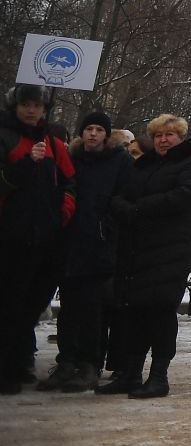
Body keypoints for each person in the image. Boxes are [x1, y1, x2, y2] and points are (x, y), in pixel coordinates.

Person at [99, 114, 191, 399]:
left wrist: (138, 209)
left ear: (180, 138)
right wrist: (123, 207)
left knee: (159, 312)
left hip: (170, 251)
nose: (164, 140)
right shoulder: (144, 165)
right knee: (132, 312)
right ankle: (131, 373)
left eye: (170, 135)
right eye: (159, 135)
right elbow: (121, 195)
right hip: (137, 250)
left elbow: (184, 196)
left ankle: (159, 376)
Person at [38, 110, 132, 392]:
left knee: (91, 310)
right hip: (69, 243)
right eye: (88, 128)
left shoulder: (120, 161)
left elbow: (125, 197)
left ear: (106, 134)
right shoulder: (72, 158)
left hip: (99, 243)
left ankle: (90, 364)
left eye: (98, 130)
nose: (92, 134)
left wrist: (107, 223)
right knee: (69, 309)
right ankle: (66, 362)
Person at [1, 85, 75, 393]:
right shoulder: (5, 137)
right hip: (9, 239)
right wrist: (25, 163)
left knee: (31, 307)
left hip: (45, 240)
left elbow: (70, 183)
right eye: (26, 105)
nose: (31, 111)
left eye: (37, 105)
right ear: (16, 107)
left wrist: (62, 216)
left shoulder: (54, 144)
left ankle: (19, 363)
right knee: (7, 306)